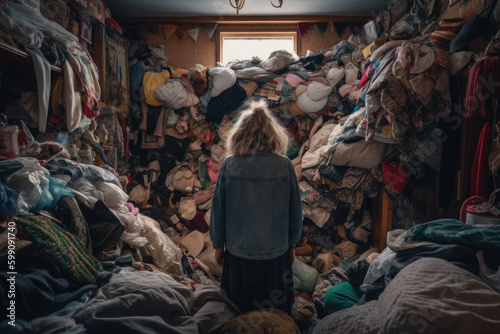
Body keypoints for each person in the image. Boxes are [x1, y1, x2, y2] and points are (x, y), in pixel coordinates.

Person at [209, 99, 303, 315]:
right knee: (275, 316)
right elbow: (295, 212)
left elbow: (218, 209)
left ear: (240, 133)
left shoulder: (229, 164)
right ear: (273, 133)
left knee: (240, 314)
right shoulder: (285, 165)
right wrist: (292, 245)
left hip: (239, 256)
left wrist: (218, 244)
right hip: (276, 255)